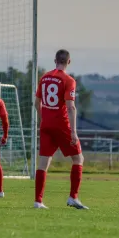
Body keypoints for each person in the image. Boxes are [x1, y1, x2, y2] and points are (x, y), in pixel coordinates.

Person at [33, 49, 89, 210]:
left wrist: (43, 119)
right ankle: (73, 197)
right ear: (68, 62)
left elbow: (37, 103)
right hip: (61, 125)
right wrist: (73, 132)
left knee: (43, 163)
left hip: (46, 125)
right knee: (78, 159)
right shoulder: (68, 80)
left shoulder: (44, 78)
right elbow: (71, 107)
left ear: (54, 60)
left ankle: (38, 201)